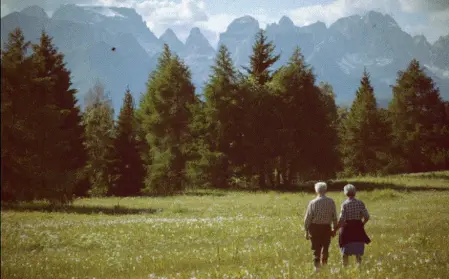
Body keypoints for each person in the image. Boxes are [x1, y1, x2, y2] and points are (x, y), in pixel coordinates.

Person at [304, 182, 338, 272]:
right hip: (327, 227)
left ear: (316, 190)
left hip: (314, 227)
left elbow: (308, 218)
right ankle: (325, 265)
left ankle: (317, 267)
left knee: (316, 247)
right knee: (325, 247)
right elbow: (334, 217)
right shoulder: (331, 201)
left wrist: (306, 230)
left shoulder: (313, 202)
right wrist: (334, 229)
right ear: (325, 190)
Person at [335, 184, 371, 267]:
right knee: (358, 252)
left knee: (345, 252)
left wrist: (335, 229)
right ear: (355, 192)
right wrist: (362, 224)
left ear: (345, 193)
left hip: (347, 229)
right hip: (358, 228)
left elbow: (341, 219)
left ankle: (345, 268)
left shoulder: (344, 204)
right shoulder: (360, 203)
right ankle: (358, 268)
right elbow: (367, 217)